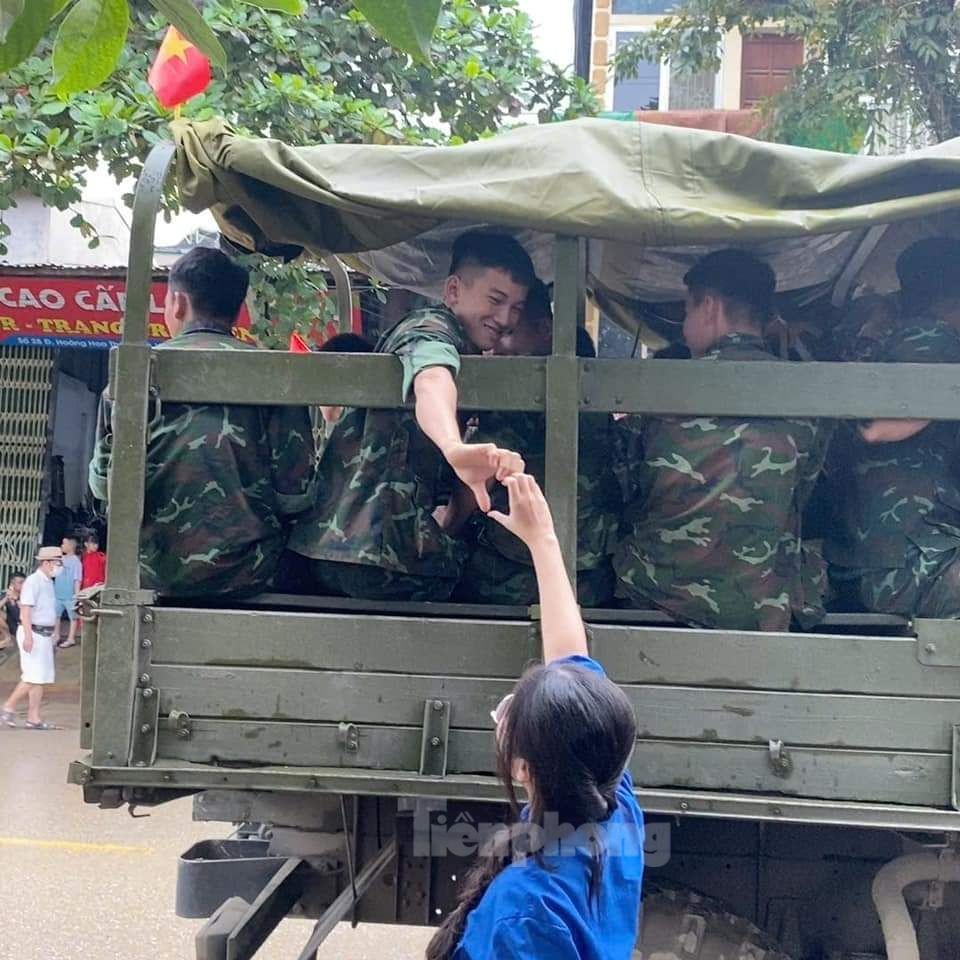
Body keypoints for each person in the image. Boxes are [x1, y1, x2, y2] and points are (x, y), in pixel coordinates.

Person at [426, 474, 643, 959]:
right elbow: (570, 660)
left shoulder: (521, 909)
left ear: (523, 768)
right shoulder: (615, 811)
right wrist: (541, 538)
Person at [288, 231, 532, 601]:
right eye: (496, 299)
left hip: (333, 550)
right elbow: (433, 376)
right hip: (390, 560)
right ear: (452, 292)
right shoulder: (431, 329)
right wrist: (453, 447)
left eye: (516, 307)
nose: (505, 318)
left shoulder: (460, 346)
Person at [614, 249, 828, 631]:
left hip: (657, 596)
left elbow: (628, 488)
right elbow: (803, 492)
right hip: (764, 606)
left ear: (709, 307)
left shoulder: (659, 392)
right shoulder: (809, 395)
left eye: (687, 311)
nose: (683, 326)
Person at [89, 247, 316, 599]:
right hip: (252, 575)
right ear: (236, 311)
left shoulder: (134, 376)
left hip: (152, 575)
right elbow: (295, 494)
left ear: (178, 303)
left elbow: (105, 485)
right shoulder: (276, 376)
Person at [452, 281, 622, 606]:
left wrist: (447, 529)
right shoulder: (594, 405)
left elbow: (476, 481)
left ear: (544, 330)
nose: (496, 347)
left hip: (510, 579)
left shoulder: (521, 393)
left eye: (508, 333)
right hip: (589, 582)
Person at [826, 237, 960, 617]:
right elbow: (879, 427)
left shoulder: (891, 338)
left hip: (876, 556)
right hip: (908, 561)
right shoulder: (932, 338)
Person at [1, 548, 63, 729]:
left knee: (39, 677)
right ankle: (8, 707)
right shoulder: (34, 582)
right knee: (33, 676)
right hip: (33, 633)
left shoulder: (47, 582)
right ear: (46, 563)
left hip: (42, 633)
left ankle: (33, 717)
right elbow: (26, 612)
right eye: (56, 562)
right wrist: (29, 636)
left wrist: (52, 634)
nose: (58, 566)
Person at [54, 534, 82, 649]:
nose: (61, 545)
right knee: (56, 616)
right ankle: (56, 636)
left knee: (73, 618)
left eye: (63, 543)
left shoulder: (76, 562)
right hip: (57, 594)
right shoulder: (60, 559)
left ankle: (71, 639)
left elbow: (77, 580)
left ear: (70, 546)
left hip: (70, 596)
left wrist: (77, 596)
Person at [0, 571, 25, 651]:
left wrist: (16, 599)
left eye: (24, 582)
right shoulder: (7, 594)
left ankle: (10, 639)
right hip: (11, 623)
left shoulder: (27, 594)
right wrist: (7, 598)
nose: (23, 585)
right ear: (12, 583)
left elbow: (23, 615)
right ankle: (7, 638)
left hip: (22, 626)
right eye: (20, 583)